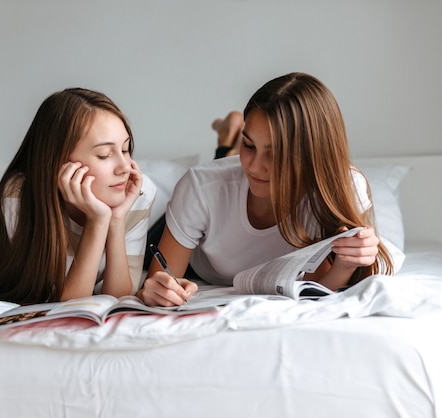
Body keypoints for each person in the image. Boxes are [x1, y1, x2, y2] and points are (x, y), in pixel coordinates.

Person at [138, 72, 395, 307]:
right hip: (200, 257)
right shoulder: (201, 187)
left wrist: (347, 263)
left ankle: (228, 144)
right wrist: (157, 289)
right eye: (248, 145)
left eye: (275, 154)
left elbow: (317, 287)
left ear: (311, 155)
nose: (255, 166)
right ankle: (227, 146)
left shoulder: (340, 189)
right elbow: (159, 281)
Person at [0, 88, 156, 304]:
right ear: (59, 163)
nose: (125, 166)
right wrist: (97, 220)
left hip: (7, 233)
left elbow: (119, 296)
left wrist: (114, 220)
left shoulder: (136, 192)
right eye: (104, 155)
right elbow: (69, 304)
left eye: (126, 149)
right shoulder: (19, 194)